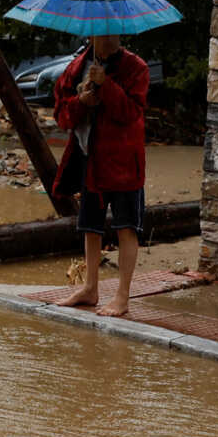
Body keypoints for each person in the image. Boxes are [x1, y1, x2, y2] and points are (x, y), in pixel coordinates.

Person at [47, 34, 151, 316]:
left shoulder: (136, 68)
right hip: (89, 158)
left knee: (126, 227)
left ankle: (122, 296)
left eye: (110, 32)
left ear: (119, 34)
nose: (105, 39)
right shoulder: (77, 66)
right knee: (90, 226)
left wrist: (107, 86)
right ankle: (90, 288)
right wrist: (82, 101)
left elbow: (131, 113)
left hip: (123, 163)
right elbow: (62, 114)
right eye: (99, 33)